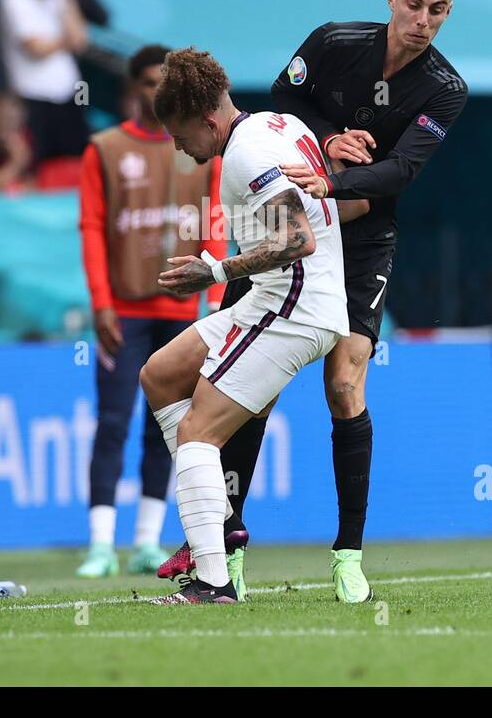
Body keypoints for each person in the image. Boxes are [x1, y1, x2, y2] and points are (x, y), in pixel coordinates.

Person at [234, 0, 468, 602]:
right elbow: (281, 100)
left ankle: (348, 554)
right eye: (415, 4)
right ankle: (225, 544)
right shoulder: (335, 41)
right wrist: (330, 134)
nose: (423, 21)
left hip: (365, 235)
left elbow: (401, 172)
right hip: (295, 222)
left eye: (439, 11)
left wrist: (337, 177)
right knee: (253, 383)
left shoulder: (445, 90)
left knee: (345, 383)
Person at [138, 48, 348, 604]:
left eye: (181, 137)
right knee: (159, 375)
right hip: (284, 297)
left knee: (197, 433)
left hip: (294, 305)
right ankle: (215, 517)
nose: (180, 149)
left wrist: (217, 268)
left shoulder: (246, 153)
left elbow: (296, 238)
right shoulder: (280, 124)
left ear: (207, 120)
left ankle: (213, 579)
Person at [75, 44, 225, 579]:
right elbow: (92, 227)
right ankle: (99, 543)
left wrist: (213, 299)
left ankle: (146, 537)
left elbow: (216, 218)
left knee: (173, 425)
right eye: (145, 81)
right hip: (126, 311)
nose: (153, 91)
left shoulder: (199, 146)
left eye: (162, 82)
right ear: (130, 87)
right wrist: (101, 303)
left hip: (183, 310)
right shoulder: (106, 148)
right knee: (112, 421)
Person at [0, 0, 88, 167]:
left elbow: (81, 41)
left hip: (67, 95)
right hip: (32, 97)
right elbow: (36, 48)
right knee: (36, 167)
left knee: (72, 165)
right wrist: (65, 41)